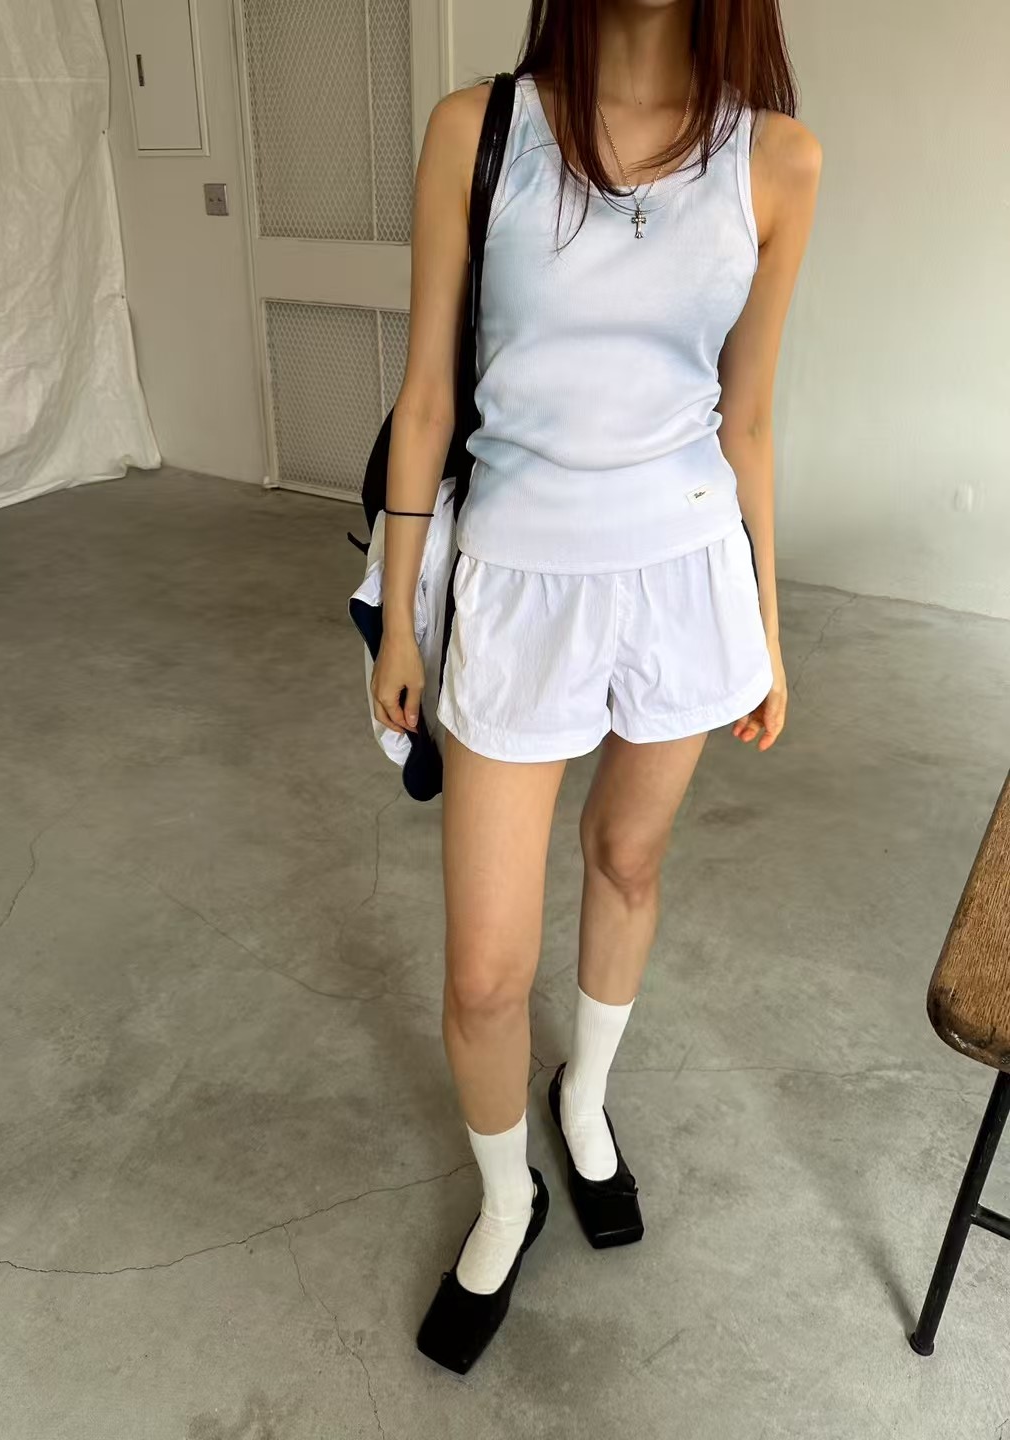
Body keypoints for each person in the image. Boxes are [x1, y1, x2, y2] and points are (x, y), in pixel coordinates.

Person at [372, 0, 821, 1374]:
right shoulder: (478, 131)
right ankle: (506, 1198)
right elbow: (428, 398)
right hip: (517, 582)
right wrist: (401, 619)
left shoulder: (777, 160)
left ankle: (586, 1101)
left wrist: (767, 625)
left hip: (688, 576)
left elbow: (748, 417)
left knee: (627, 859)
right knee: (484, 972)